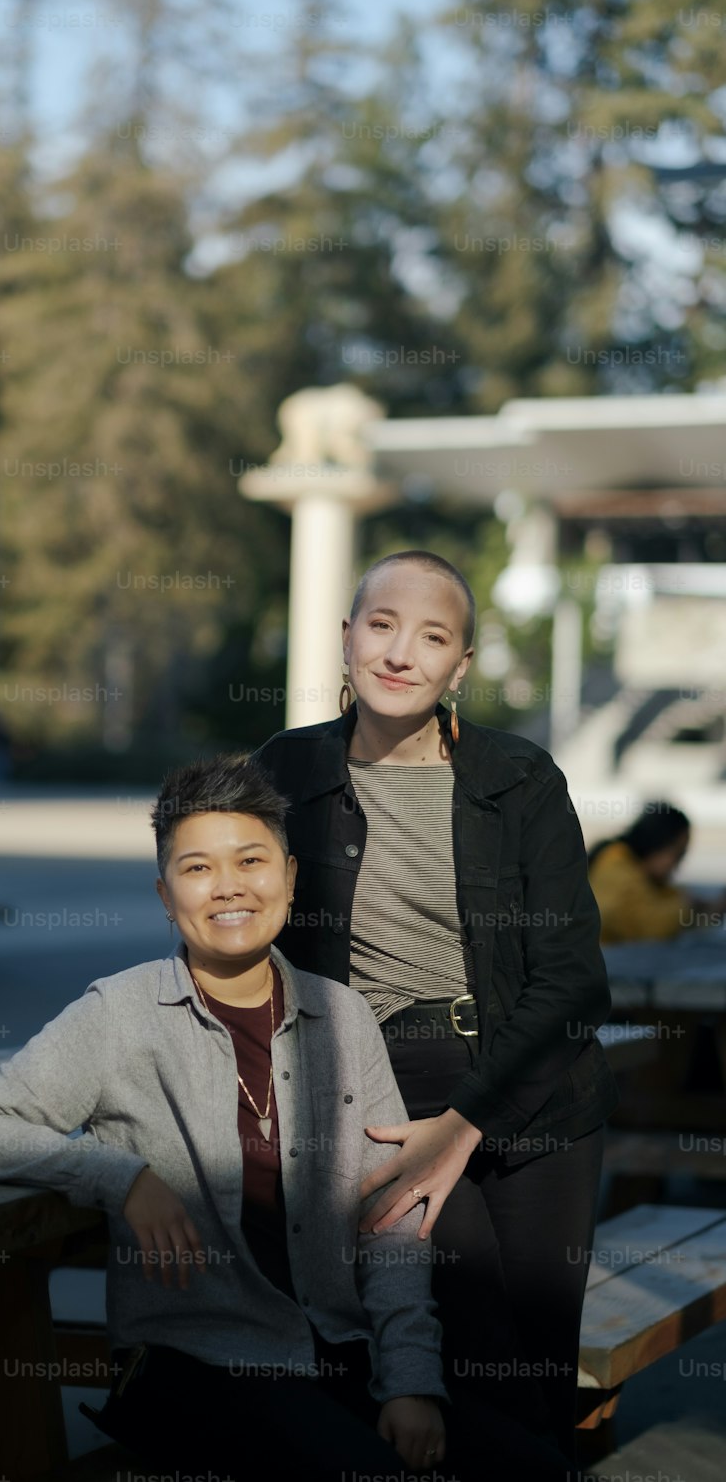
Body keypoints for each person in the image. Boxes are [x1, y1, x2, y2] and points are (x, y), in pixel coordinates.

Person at [0, 754, 449, 1482]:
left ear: (291, 877)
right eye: (198, 868)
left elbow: (391, 1218)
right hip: (198, 1363)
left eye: (250, 860)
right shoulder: (120, 1012)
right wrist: (120, 1175)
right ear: (165, 894)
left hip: (340, 1350)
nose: (229, 887)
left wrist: (410, 1380)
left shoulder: (344, 1016)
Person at [254, 549, 620, 1460]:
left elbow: (575, 980)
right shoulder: (285, 771)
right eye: (381, 625)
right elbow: (231, 926)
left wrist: (465, 1124)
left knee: (533, 1375)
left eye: (433, 636)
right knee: (465, 1340)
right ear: (346, 640)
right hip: (379, 1099)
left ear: (460, 667)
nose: (400, 653)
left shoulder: (518, 778)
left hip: (533, 1090)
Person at [588, 804, 723, 943]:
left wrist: (700, 908)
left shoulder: (629, 866)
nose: (677, 864)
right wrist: (686, 907)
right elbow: (645, 924)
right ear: (658, 842)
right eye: (678, 854)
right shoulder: (614, 866)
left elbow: (655, 900)